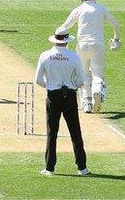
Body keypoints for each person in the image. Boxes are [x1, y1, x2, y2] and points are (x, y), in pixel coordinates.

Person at [34, 27, 90, 177]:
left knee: (52, 133)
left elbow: (38, 80)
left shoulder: (45, 55)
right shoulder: (73, 56)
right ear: (66, 41)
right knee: (75, 132)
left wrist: (52, 87)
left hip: (53, 96)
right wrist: (71, 87)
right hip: (69, 96)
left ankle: (49, 168)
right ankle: (82, 168)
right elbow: (81, 80)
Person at [59, 0, 120, 114]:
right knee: (98, 74)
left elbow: (64, 27)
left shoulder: (78, 10)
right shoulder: (101, 8)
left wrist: (58, 41)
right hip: (98, 45)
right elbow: (115, 23)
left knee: (84, 73)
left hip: (82, 46)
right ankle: (97, 91)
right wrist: (116, 39)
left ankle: (86, 103)